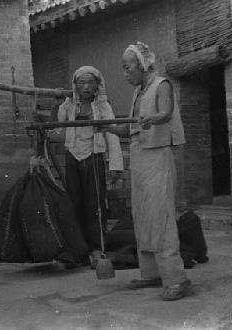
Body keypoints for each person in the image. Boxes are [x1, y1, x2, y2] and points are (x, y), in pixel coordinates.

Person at [100, 42, 190, 301]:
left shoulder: (162, 85)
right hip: (139, 158)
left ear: (142, 65)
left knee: (160, 217)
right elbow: (130, 130)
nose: (125, 73)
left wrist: (153, 119)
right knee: (141, 216)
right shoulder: (139, 92)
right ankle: (151, 273)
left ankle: (176, 278)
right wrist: (105, 127)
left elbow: (166, 113)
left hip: (157, 157)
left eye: (127, 67)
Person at [56, 66, 123, 268]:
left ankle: (97, 247)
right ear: (75, 85)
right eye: (81, 83)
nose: (86, 87)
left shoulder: (102, 107)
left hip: (93, 156)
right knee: (74, 202)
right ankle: (77, 248)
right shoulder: (67, 107)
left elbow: (112, 135)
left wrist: (116, 165)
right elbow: (61, 131)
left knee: (95, 204)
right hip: (73, 157)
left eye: (90, 83)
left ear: (96, 86)